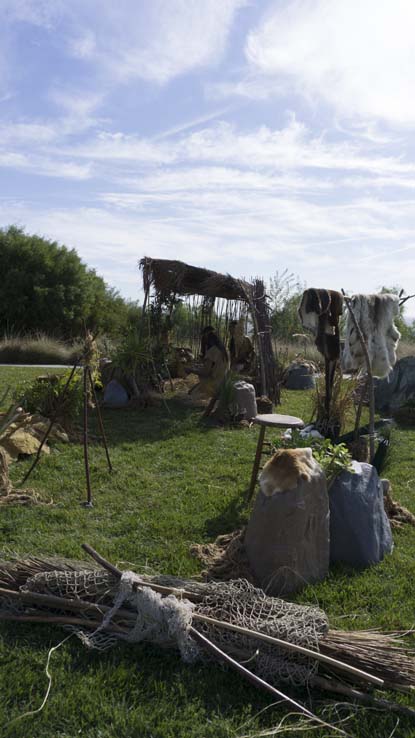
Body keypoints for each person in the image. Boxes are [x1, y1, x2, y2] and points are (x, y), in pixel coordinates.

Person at [188, 326, 230, 398]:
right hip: (224, 384)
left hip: (214, 386)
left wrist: (191, 370)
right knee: (192, 390)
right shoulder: (225, 351)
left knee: (191, 394)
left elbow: (205, 372)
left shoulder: (212, 351)